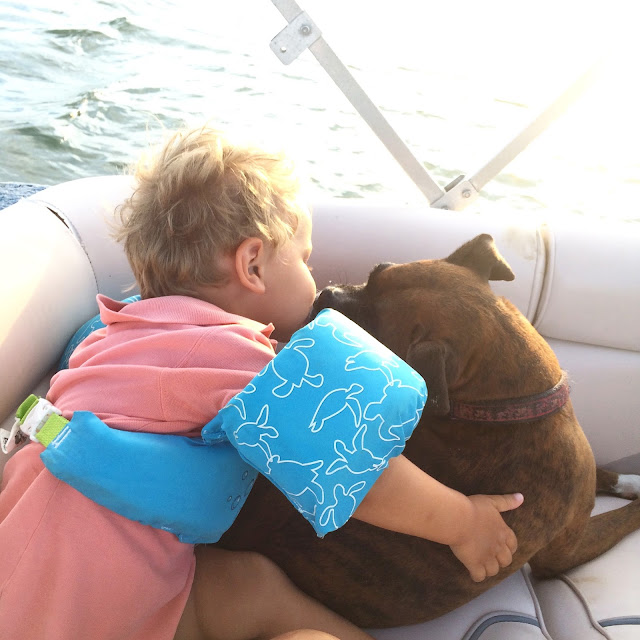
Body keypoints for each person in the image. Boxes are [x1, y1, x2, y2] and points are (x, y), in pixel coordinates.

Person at [0, 125, 523, 640]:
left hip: (36, 586)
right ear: (252, 264)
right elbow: (354, 473)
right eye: (304, 258)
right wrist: (465, 523)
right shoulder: (234, 356)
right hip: (98, 618)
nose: (315, 279)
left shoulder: (109, 337)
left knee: (249, 583)